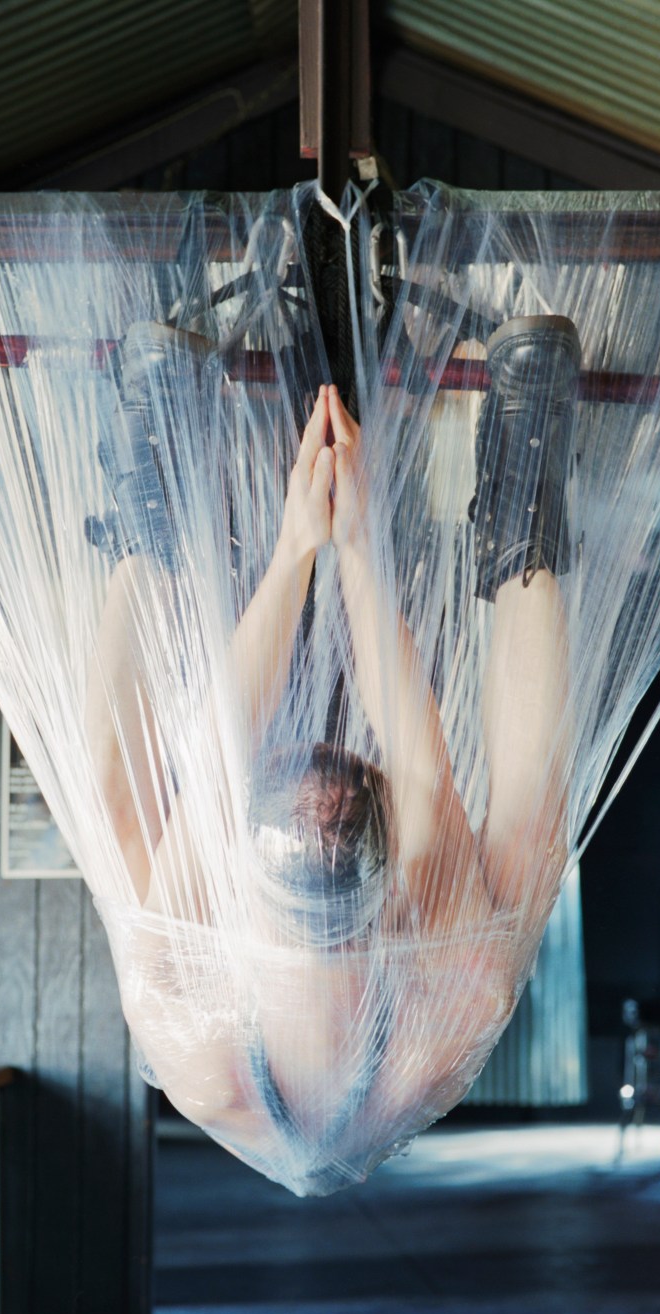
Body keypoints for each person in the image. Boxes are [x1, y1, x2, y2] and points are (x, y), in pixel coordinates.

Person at [82, 316, 579, 1192]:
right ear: (390, 886)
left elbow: (218, 760)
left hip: (237, 1035)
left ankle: (149, 499)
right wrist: (350, 550)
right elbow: (425, 770)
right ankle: (523, 478)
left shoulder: (186, 1015)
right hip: (409, 1024)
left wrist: (294, 553)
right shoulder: (454, 996)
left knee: (113, 809)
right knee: (533, 832)